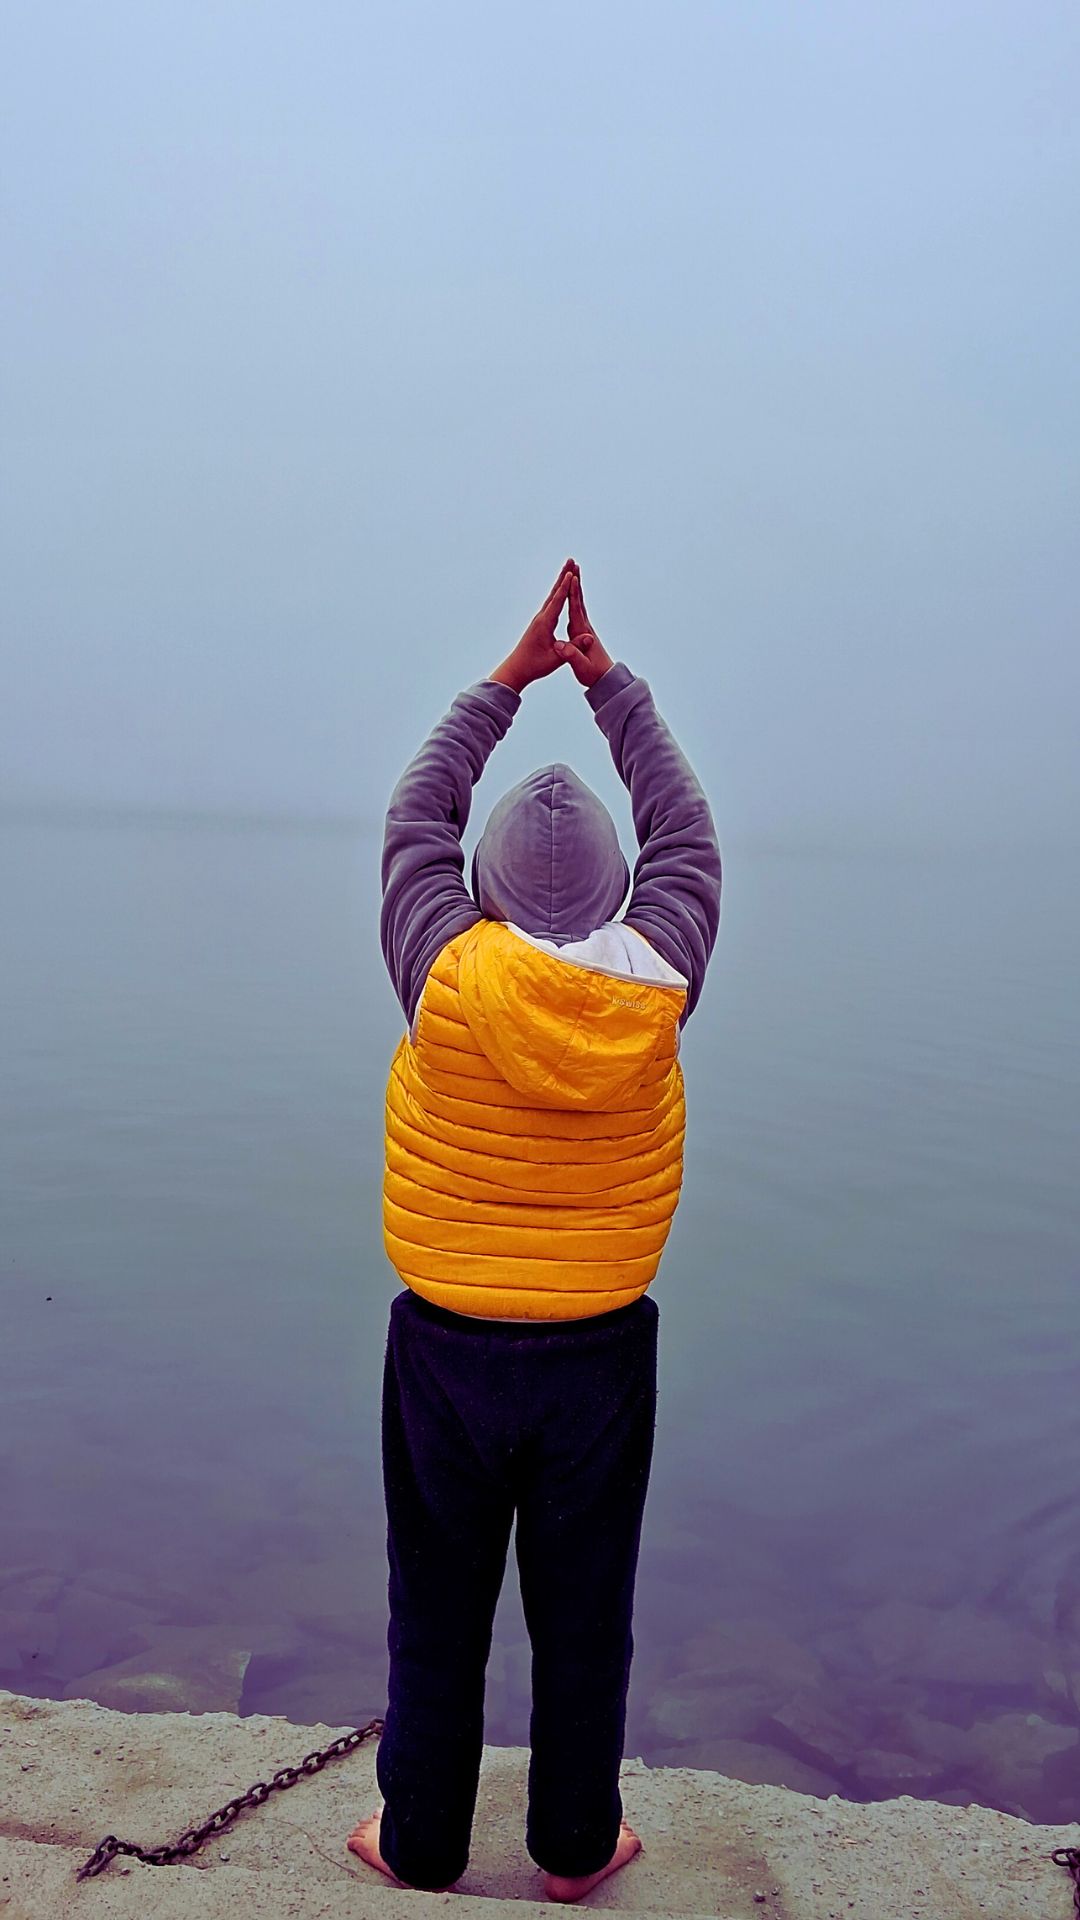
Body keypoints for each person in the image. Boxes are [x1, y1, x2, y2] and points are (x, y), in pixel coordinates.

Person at [347, 558, 722, 1899]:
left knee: (435, 1608)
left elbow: (413, 817)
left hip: (445, 1349)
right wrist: (610, 688)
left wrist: (506, 683)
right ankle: (574, 1847)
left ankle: (422, 1841)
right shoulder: (661, 978)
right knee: (584, 1620)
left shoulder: (441, 967)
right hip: (599, 1355)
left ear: (485, 887)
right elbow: (689, 834)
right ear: (623, 890)